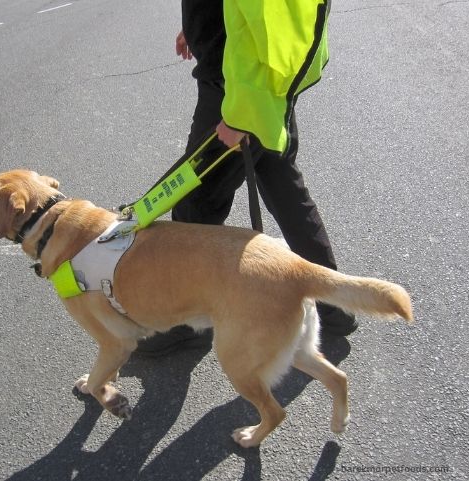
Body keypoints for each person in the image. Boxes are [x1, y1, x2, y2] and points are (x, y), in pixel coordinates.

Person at [135, 0, 357, 357]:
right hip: (244, 82)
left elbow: (265, 17)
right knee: (284, 189)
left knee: (196, 207)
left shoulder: (239, 97)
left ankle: (186, 322)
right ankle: (335, 305)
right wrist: (198, 28)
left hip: (237, 90)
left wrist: (241, 111)